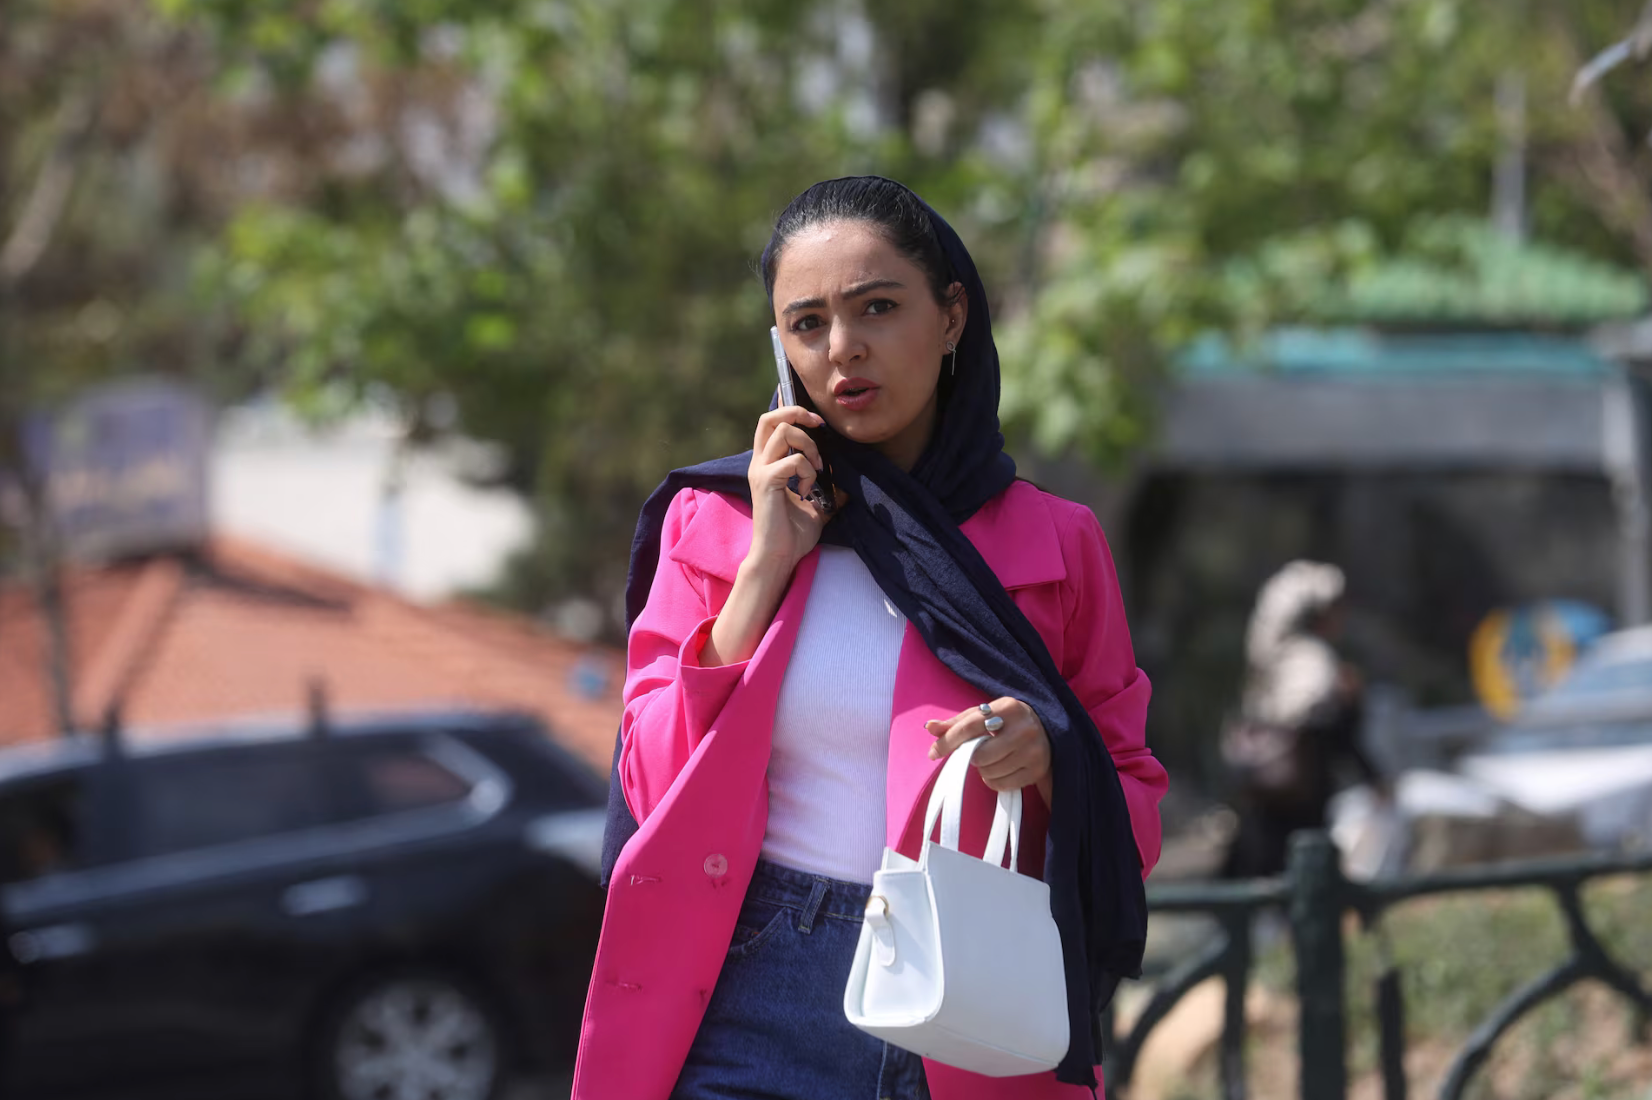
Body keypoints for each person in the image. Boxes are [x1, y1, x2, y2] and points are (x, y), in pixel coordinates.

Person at [575, 177, 1167, 1100]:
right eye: (807, 325)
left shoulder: (1056, 542)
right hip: (753, 985)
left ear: (952, 316)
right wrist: (765, 567)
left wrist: (1048, 757)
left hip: (971, 999)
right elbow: (650, 779)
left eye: (878, 308)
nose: (843, 348)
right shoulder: (716, 524)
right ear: (780, 350)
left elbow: (1131, 796)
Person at [1220, 560, 1380, 879]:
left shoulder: (1278, 662)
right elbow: (1329, 730)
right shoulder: (1313, 662)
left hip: (1266, 802)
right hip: (1299, 806)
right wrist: (1373, 775)